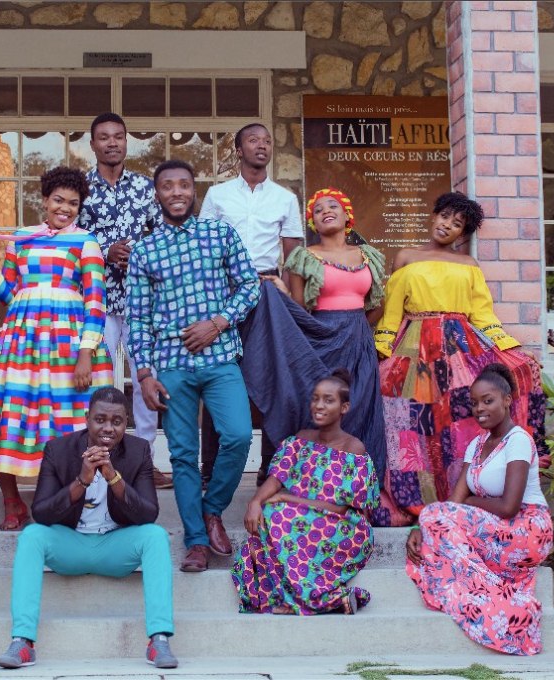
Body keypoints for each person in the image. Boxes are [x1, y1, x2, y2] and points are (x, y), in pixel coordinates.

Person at [374, 192, 547, 527]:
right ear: (434, 215)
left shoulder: (469, 265)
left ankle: (457, 496)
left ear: (462, 233)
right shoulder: (406, 256)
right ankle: (419, 497)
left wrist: (510, 348)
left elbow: (482, 314)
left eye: (457, 224)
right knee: (414, 421)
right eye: (445, 217)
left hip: (460, 350)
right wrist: (382, 347)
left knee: (457, 420)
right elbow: (392, 310)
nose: (447, 226)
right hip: (414, 348)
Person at [127, 159, 260, 572]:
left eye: (184, 185)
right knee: (183, 455)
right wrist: (144, 375)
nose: (177, 192)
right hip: (171, 364)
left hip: (220, 357)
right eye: (168, 186)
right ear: (158, 194)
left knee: (238, 435)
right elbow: (138, 318)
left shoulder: (219, 233)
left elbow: (250, 285)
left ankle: (212, 507)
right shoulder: (145, 250)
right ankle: (197, 541)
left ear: (193, 189)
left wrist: (217, 323)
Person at [0, 166, 115, 530]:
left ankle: (66, 502)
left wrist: (86, 354)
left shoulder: (86, 242)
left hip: (68, 345)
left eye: (73, 203)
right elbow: (9, 295)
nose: (65, 208)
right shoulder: (22, 238)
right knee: (11, 414)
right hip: (23, 343)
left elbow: (95, 302)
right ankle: (12, 502)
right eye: (58, 200)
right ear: (45, 200)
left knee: (67, 422)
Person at [0, 387, 177, 670]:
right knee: (32, 536)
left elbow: (148, 513)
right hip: (71, 545)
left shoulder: (138, 451)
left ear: (126, 423)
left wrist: (113, 477)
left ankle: (159, 640)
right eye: (100, 419)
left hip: (115, 546)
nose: (108, 428)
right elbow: (41, 512)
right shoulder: (58, 450)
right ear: (87, 418)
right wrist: (81, 481)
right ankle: (22, 641)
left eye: (117, 421)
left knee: (155, 537)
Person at [406, 363, 552, 655]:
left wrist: (468, 504)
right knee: (433, 515)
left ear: (507, 400)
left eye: (488, 401)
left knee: (435, 517)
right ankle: (494, 596)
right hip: (495, 530)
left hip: (526, 530)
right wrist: (420, 527)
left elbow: (509, 506)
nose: (479, 409)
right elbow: (454, 503)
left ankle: (507, 605)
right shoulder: (476, 444)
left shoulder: (518, 440)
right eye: (474, 403)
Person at [249, 187, 388, 481]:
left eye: (332, 206)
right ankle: (313, 479)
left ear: (347, 215)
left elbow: (378, 305)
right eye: (318, 209)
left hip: (359, 340)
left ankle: (353, 483)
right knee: (320, 407)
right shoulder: (304, 257)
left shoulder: (369, 255)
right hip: (321, 338)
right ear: (313, 222)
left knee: (359, 407)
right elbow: (300, 309)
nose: (326, 211)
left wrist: (358, 329)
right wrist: (282, 293)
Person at [199, 123, 305, 485]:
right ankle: (210, 468)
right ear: (239, 149)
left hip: (267, 291)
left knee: (272, 379)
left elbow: (293, 255)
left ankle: (270, 467)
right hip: (224, 293)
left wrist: (289, 298)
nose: (262, 146)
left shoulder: (284, 198)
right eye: (253, 140)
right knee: (219, 375)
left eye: (267, 141)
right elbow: (204, 249)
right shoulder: (218, 195)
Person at [232, 369, 379, 615]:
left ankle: (301, 601)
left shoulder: (353, 448)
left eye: (328, 400)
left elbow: (340, 507)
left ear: (344, 408)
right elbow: (276, 479)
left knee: (279, 515)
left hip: (342, 526)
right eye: (315, 398)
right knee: (263, 529)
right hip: (301, 519)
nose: (319, 406)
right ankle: (326, 600)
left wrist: (285, 498)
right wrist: (255, 502)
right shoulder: (300, 440)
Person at [77, 113, 170, 489]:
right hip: (96, 301)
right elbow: (71, 235)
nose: (112, 142)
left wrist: (139, 255)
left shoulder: (145, 188)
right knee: (96, 381)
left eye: (118, 136)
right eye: (104, 137)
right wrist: (105, 251)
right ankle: (92, 460)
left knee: (145, 378)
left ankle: (144, 463)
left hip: (141, 301)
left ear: (126, 142)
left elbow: (163, 236)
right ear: (93, 144)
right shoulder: (82, 188)